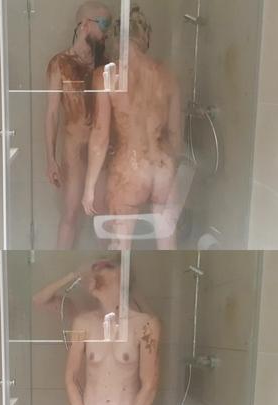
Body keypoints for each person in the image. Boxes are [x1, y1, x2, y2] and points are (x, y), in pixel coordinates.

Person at [33, 258, 160, 405]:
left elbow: (150, 385)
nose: (97, 272)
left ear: (122, 277)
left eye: (106, 268)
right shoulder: (83, 322)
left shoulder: (145, 324)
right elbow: (70, 378)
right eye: (96, 270)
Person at [82, 6, 182, 250]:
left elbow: (100, 135)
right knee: (167, 246)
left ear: (116, 39)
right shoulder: (168, 75)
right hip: (163, 168)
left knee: (120, 247)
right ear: (145, 36)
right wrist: (172, 171)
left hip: (130, 168)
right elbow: (176, 135)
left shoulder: (106, 75)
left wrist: (89, 187)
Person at [45, 1, 112, 249]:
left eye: (109, 24)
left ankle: (108, 263)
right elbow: (52, 113)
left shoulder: (107, 66)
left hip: (101, 151)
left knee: (103, 214)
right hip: (73, 151)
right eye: (103, 24)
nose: (107, 31)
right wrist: (50, 159)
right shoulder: (60, 64)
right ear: (84, 25)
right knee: (71, 213)